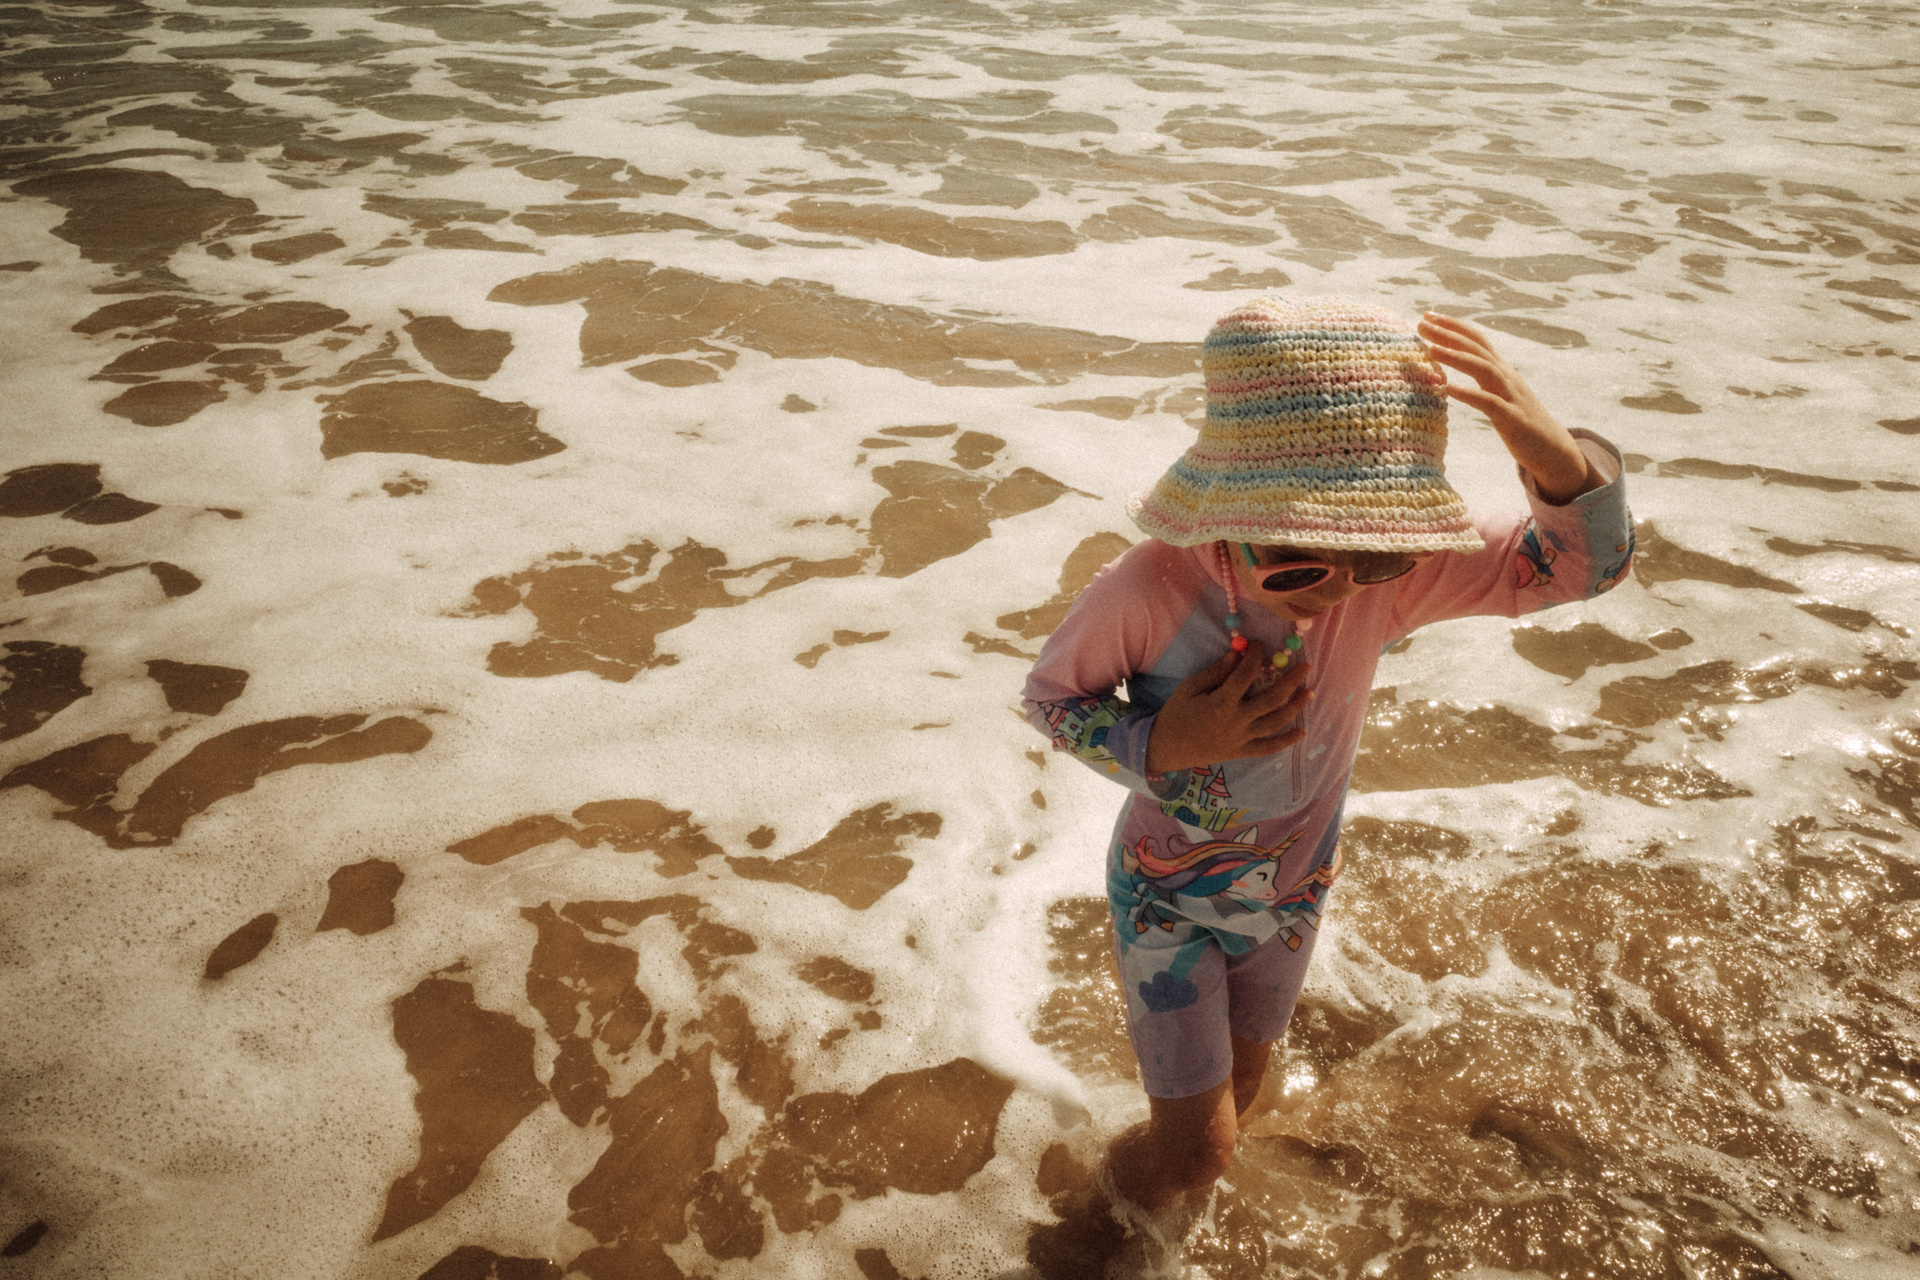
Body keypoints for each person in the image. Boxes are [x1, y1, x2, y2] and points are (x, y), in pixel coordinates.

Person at [1020, 296, 1633, 1253]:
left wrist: (1557, 460)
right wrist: (1164, 741)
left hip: (1294, 892)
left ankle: (1156, 1229)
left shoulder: (1389, 582)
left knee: (1243, 1094)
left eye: (1376, 555)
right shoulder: (1153, 587)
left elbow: (1575, 568)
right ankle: (1086, 1234)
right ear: (1230, 514)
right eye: (1297, 562)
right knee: (1199, 1152)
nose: (1341, 586)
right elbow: (1053, 699)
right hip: (1168, 898)